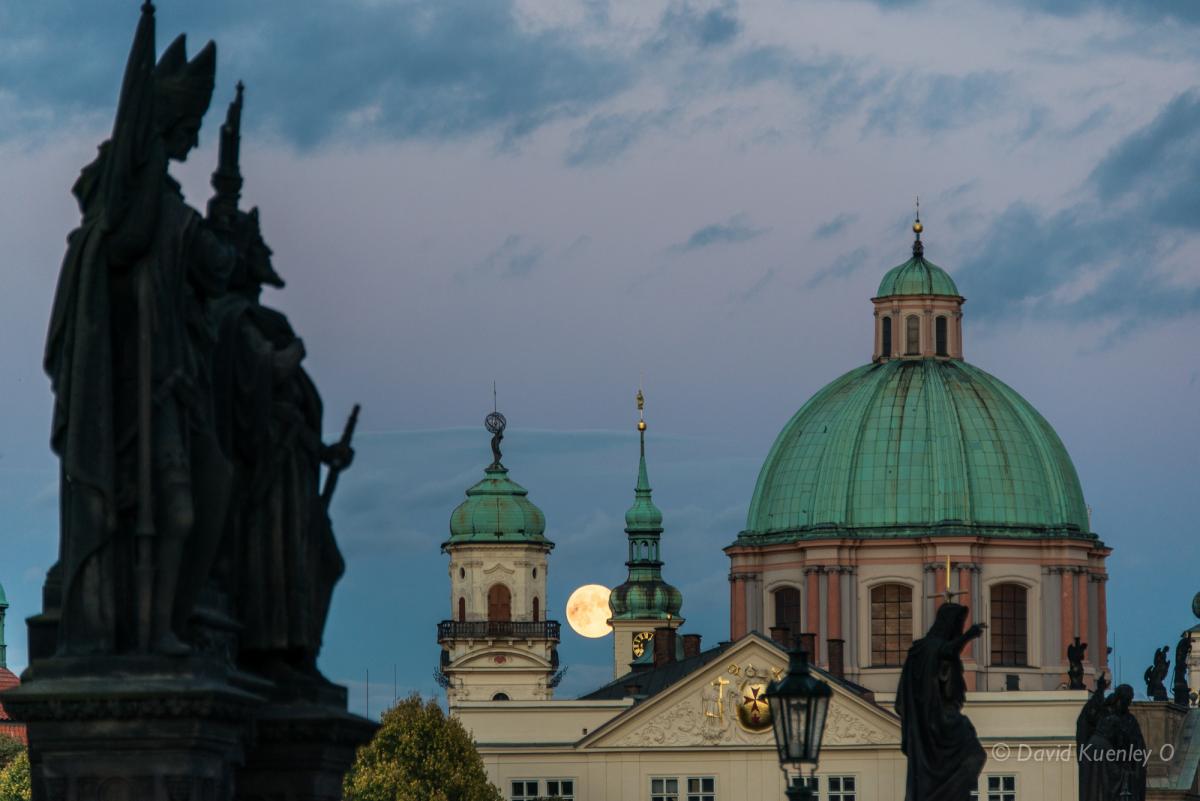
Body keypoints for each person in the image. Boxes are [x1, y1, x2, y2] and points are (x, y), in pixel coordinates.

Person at [44, 3, 235, 656]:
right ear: (169, 124)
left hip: (171, 390)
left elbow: (215, 267)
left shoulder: (169, 209)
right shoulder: (131, 208)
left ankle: (168, 624)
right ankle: (153, 631)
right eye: (190, 128)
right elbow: (124, 250)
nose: (193, 142)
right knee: (168, 510)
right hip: (134, 393)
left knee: (197, 498)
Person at [894, 603, 987, 801]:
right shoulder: (931, 647)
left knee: (970, 755)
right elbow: (946, 651)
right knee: (973, 753)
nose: (959, 629)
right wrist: (969, 635)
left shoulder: (921, 650)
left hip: (927, 722)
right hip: (937, 720)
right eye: (959, 624)